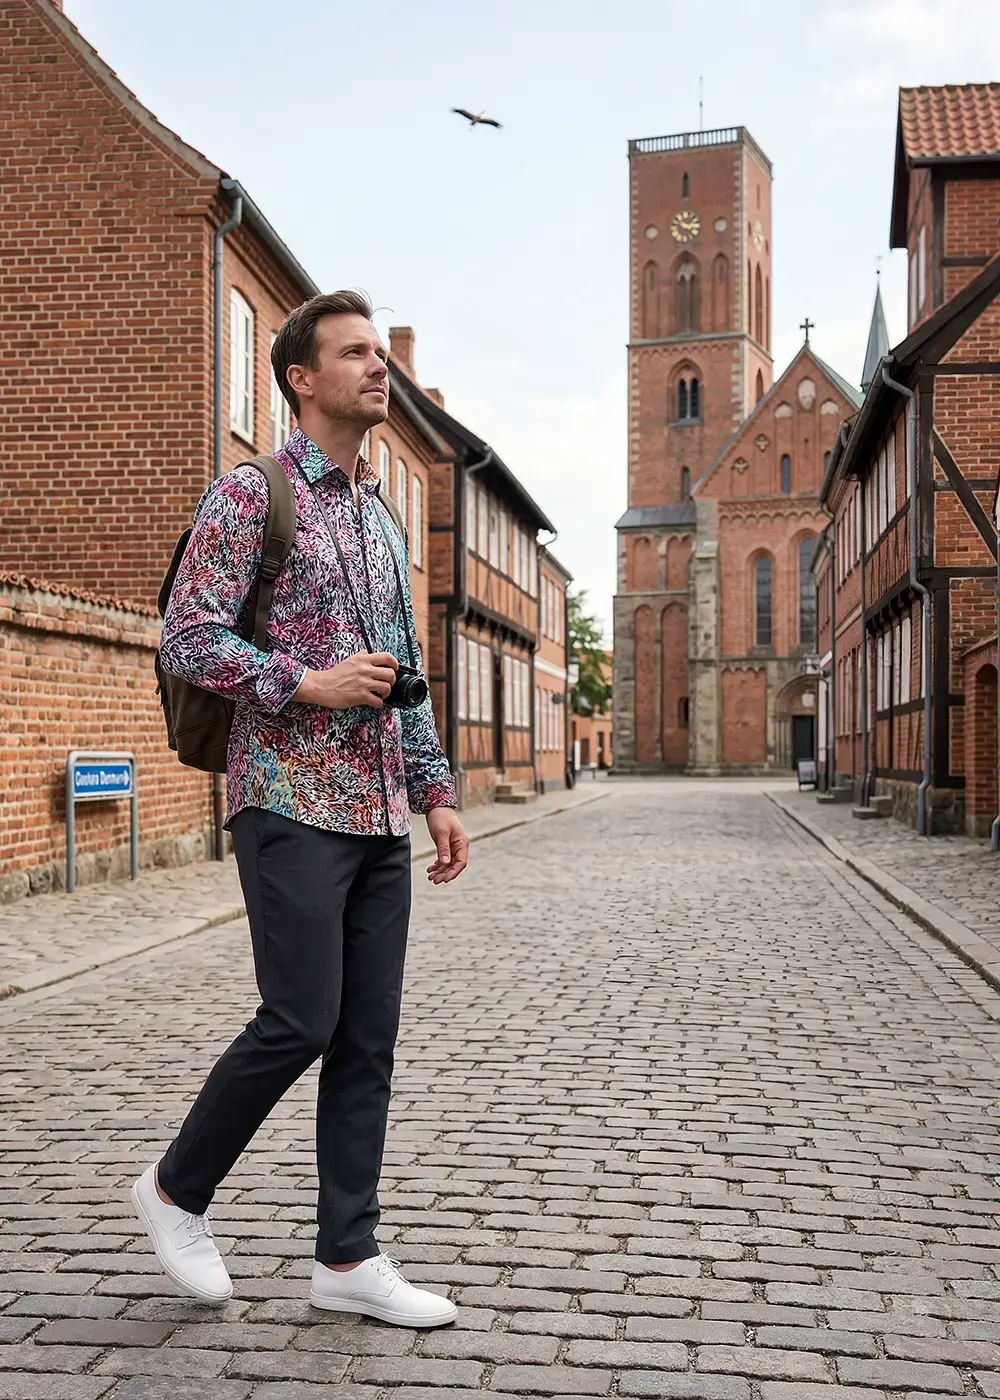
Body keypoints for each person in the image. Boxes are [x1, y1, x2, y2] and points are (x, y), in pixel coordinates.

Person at [131, 290, 469, 1329]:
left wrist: (436, 788)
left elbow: (405, 668)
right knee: (300, 1017)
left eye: (381, 351)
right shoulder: (251, 493)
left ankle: (348, 1255)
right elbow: (187, 638)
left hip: (374, 811)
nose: (380, 368)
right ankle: (176, 1189)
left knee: (367, 1034)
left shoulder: (378, 517)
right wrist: (302, 681)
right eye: (355, 353)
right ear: (301, 376)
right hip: (283, 797)